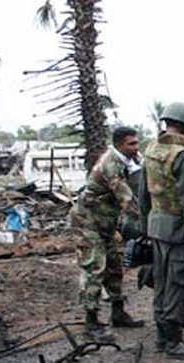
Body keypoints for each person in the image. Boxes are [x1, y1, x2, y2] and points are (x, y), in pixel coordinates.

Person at [139, 101, 184, 360]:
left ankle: (160, 336)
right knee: (178, 284)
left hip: (156, 226)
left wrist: (146, 225)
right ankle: (173, 340)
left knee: (162, 284)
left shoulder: (151, 149)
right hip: (178, 230)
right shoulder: (182, 156)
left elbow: (143, 194)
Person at [69, 126, 146, 343]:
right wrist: (148, 221)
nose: (136, 147)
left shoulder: (130, 160)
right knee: (94, 269)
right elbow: (128, 199)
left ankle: (118, 313)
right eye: (132, 143)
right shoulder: (110, 164)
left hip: (105, 224)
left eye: (137, 142)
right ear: (120, 143)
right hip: (88, 223)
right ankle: (91, 323)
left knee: (114, 266)